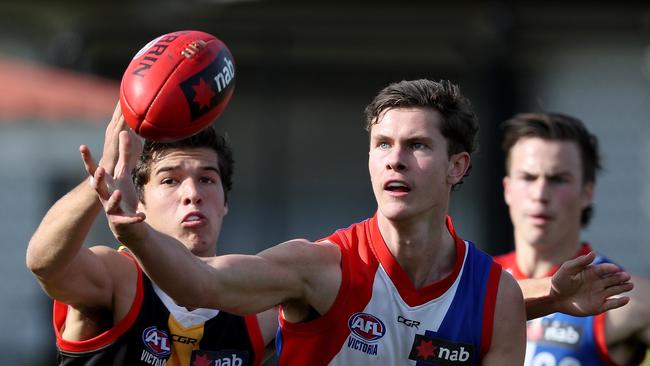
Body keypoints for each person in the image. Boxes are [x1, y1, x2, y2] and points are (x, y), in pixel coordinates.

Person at [86, 79, 634, 365]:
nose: (395, 159)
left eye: (417, 145)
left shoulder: (496, 299)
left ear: (457, 167)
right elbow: (202, 282)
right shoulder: (322, 266)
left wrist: (549, 295)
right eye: (382, 145)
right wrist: (132, 230)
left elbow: (489, 300)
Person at [26, 104, 277, 366]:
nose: (192, 194)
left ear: (225, 201)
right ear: (139, 202)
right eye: (170, 180)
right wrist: (103, 174)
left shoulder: (256, 308)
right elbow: (44, 262)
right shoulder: (119, 278)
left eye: (207, 179)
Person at [495, 112, 650, 365]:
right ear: (508, 189)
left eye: (558, 180)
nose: (540, 193)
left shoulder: (626, 296)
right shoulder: (473, 281)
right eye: (528, 177)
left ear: (587, 193)